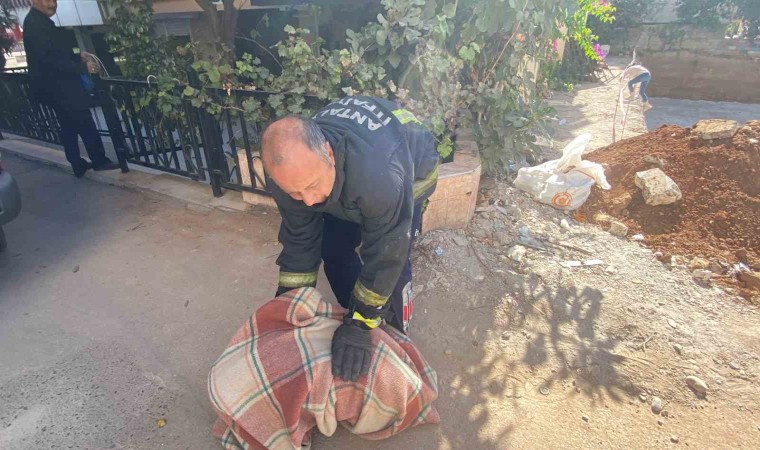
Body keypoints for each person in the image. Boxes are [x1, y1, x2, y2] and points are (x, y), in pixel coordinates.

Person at [261, 96, 439, 382]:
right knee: (334, 250)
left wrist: (360, 326)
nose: (309, 201)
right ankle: (354, 313)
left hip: (411, 170)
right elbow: (300, 238)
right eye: (296, 193)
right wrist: (291, 301)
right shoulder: (289, 176)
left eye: (311, 186)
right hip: (353, 173)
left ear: (329, 154)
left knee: (394, 264)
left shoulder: (381, 178)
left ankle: (392, 333)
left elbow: (387, 254)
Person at [23, 0, 119, 177]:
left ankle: (77, 163)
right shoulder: (35, 24)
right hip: (59, 86)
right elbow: (50, 59)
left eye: (54, 0)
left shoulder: (38, 21)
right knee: (84, 120)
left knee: (69, 125)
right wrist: (81, 67)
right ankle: (99, 160)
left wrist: (77, 57)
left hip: (55, 86)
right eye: (47, 0)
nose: (53, 4)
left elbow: (56, 53)